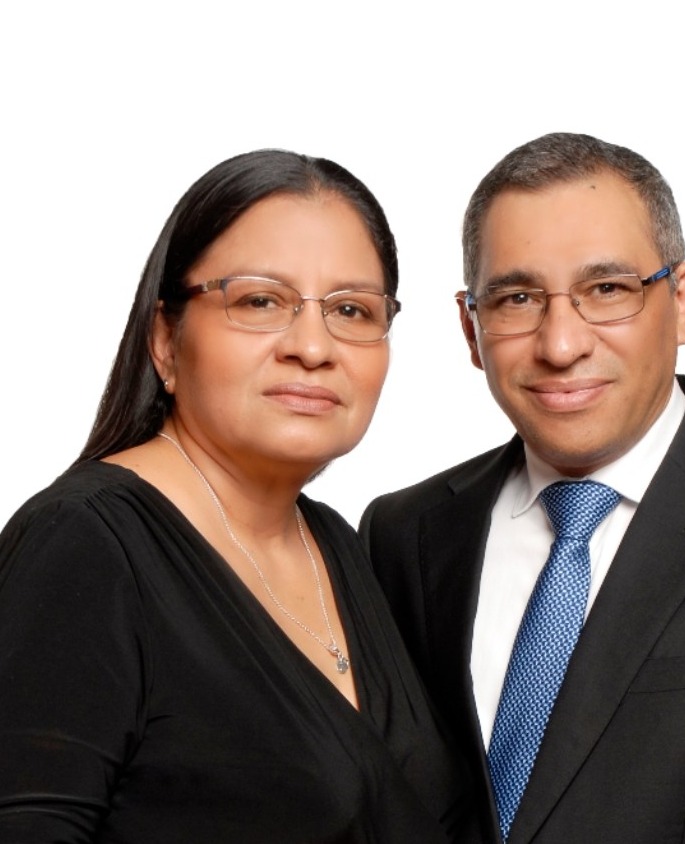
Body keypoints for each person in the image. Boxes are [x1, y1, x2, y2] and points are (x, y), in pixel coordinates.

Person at [360, 132, 685, 843]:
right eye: (517, 298)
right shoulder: (402, 536)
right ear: (470, 328)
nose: (561, 344)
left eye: (607, 290)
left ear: (683, 300)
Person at [0, 149, 482, 843]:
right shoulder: (85, 545)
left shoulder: (340, 546)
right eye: (260, 301)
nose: (312, 347)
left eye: (351, 309)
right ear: (165, 341)